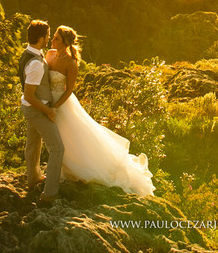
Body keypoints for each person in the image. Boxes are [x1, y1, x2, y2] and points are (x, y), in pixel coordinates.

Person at [44, 25, 155, 196]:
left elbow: (69, 90)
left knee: (67, 137)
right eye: (53, 37)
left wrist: (55, 107)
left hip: (61, 104)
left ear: (65, 42)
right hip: (46, 100)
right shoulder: (50, 54)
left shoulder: (71, 63)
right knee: (55, 137)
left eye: (56, 38)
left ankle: (69, 170)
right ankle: (59, 169)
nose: (52, 40)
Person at [19, 19, 63, 203]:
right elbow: (29, 95)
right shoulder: (36, 64)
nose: (48, 39)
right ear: (40, 38)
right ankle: (50, 193)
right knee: (57, 148)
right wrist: (48, 111)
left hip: (29, 109)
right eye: (47, 36)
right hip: (36, 110)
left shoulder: (28, 53)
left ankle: (33, 178)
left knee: (33, 143)